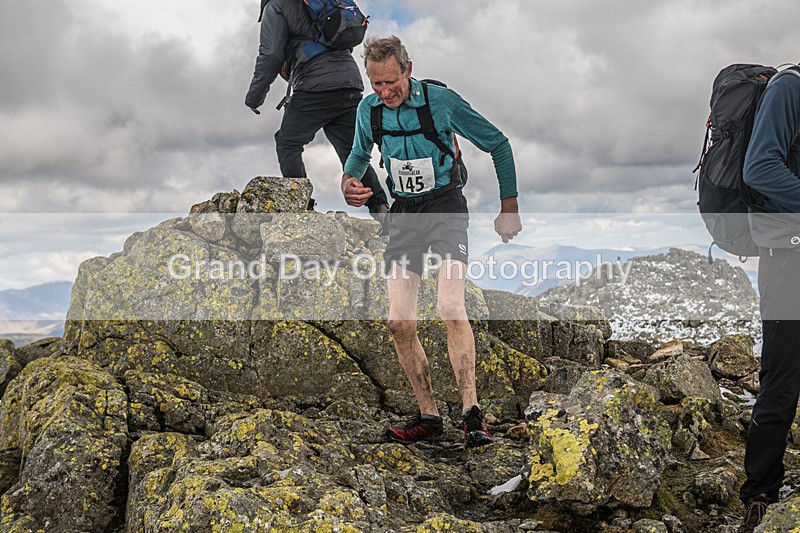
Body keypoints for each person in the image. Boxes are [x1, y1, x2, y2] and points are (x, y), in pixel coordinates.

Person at [340, 36, 522, 449]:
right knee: (399, 322)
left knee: (449, 307)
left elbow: (498, 143)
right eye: (377, 84)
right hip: (405, 215)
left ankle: (472, 416)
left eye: (392, 82)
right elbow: (357, 155)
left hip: (445, 207)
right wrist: (348, 181)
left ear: (407, 69)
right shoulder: (368, 110)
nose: (385, 92)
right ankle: (429, 417)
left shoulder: (440, 101)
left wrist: (508, 206)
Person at [245, 0, 388, 215]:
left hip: (314, 85)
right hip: (349, 82)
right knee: (352, 153)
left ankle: (303, 208)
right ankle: (381, 208)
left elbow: (271, 54)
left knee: (287, 143)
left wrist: (254, 97)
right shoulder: (323, 2)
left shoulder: (276, 5)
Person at [737, 67, 800, 533]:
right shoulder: (790, 87)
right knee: (783, 374)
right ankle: (760, 494)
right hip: (787, 254)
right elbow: (759, 167)